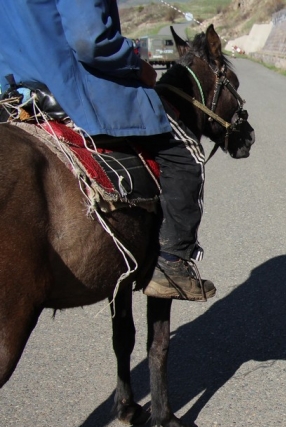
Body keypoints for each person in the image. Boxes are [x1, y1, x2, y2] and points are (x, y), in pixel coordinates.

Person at [0, 0, 216, 301]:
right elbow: (89, 39)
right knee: (186, 152)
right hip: (73, 90)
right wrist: (136, 64)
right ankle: (171, 266)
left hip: (18, 98)